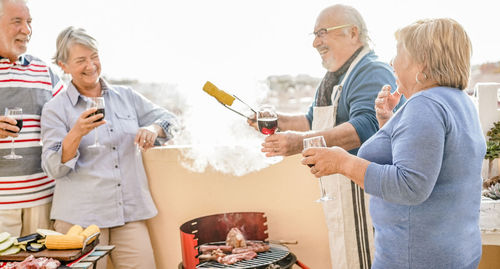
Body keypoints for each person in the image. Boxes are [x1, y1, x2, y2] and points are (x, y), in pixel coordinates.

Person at [302, 18, 485, 269]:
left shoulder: (425, 105)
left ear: (422, 63)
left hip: (415, 258)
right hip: (454, 252)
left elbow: (410, 186)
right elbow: (428, 160)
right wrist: (388, 121)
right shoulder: (459, 101)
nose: (392, 62)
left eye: (398, 53)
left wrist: (342, 162)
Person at [250, 4, 402, 268]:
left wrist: (300, 142)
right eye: (314, 35)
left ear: (353, 33)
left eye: (322, 33)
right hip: (341, 195)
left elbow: (366, 127)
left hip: (365, 198)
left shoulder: (372, 71)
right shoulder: (333, 77)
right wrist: (275, 121)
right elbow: (311, 120)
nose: (315, 43)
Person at [41, 26, 178, 269]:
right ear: (63, 66)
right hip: (79, 221)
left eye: (94, 57)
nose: (91, 65)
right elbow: (53, 168)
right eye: (81, 60)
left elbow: (171, 119)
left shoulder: (127, 96)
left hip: (129, 215)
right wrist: (76, 133)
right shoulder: (55, 109)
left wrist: (154, 129)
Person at [0, 0, 63, 237]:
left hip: (42, 199)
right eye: (17, 22)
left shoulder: (44, 72)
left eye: (29, 22)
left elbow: (69, 118)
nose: (26, 30)